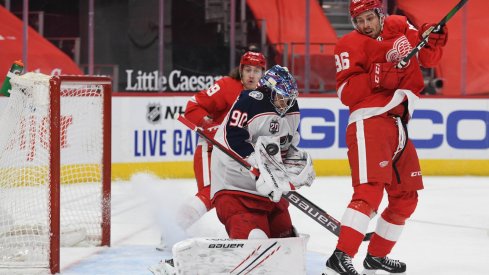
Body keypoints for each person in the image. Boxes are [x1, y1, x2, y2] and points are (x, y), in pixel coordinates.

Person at [323, 0, 447, 274]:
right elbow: (346, 93)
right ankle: (341, 255)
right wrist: (377, 75)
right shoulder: (348, 44)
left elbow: (427, 59)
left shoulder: (400, 26)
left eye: (369, 18)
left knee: (406, 196)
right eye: (360, 20)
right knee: (369, 192)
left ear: (380, 15)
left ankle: (376, 255)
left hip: (399, 123)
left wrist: (432, 38)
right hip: (370, 121)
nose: (365, 25)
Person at [156, 50, 267, 250]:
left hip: (238, 156)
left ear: (263, 73)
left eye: (257, 71)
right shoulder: (226, 86)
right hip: (211, 150)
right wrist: (208, 125)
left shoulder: (264, 95)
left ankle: (254, 233)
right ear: (240, 71)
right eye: (248, 70)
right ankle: (172, 229)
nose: (252, 75)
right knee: (211, 192)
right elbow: (193, 106)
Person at [211, 64, 315, 239]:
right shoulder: (249, 101)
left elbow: (287, 144)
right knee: (255, 238)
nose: (286, 103)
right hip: (234, 185)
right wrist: (256, 164)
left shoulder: (291, 108)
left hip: (268, 189)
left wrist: (293, 165)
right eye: (282, 97)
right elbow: (233, 137)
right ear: (268, 89)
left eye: (289, 98)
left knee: (284, 236)